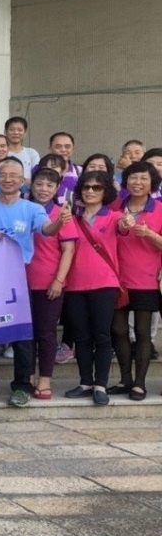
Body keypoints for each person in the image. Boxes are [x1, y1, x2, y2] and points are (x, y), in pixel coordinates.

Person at [0, 158, 67, 407]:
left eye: (14, 175)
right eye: (4, 174)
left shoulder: (32, 208)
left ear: (23, 180)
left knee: (23, 334)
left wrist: (60, 222)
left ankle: (22, 385)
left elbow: (46, 229)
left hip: (18, 276)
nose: (8, 179)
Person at [64, 170, 121, 405]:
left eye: (96, 188)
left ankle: (101, 385)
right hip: (75, 285)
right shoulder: (71, 219)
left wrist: (128, 223)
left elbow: (126, 228)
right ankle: (85, 381)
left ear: (105, 191)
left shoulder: (115, 216)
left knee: (102, 336)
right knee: (81, 337)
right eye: (86, 187)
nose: (90, 191)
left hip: (105, 284)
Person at [110, 161, 162, 399]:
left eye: (143, 179)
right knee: (118, 330)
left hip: (147, 279)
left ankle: (140, 383)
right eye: (133, 178)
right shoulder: (115, 206)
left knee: (142, 332)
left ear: (152, 183)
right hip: (116, 277)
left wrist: (151, 235)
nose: (137, 183)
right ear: (126, 181)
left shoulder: (160, 209)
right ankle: (125, 379)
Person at [25, 167, 76, 401]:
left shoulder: (61, 213)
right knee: (25, 334)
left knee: (45, 333)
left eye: (49, 185)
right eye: (39, 184)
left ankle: (44, 378)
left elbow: (68, 250)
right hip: (19, 281)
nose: (43, 189)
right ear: (31, 184)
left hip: (48, 282)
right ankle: (26, 375)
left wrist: (58, 280)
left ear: (57, 189)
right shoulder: (23, 209)